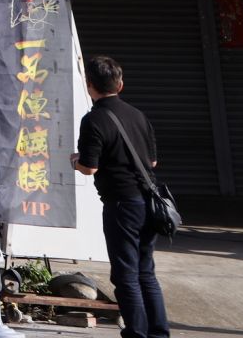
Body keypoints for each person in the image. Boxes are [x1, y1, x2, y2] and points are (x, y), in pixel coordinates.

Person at [76, 55, 169, 338]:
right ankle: (159, 333)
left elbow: (89, 167)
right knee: (146, 271)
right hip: (149, 202)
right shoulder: (138, 115)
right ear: (120, 84)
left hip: (121, 203)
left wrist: (75, 161)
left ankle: (136, 332)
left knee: (126, 274)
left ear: (89, 85)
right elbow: (152, 162)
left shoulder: (94, 120)